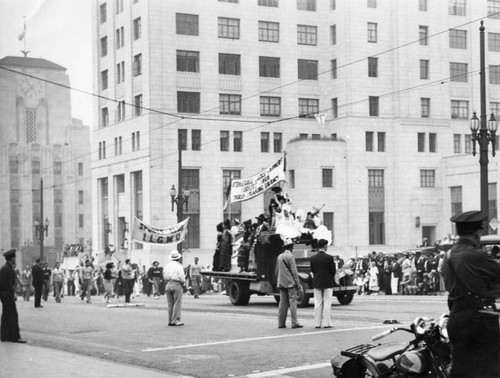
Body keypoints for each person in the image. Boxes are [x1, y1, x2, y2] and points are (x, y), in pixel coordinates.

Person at [442, 210, 500, 378]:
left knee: (461, 369)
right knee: (490, 369)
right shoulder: (476, 255)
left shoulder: (448, 256)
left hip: (457, 317)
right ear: (478, 233)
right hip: (480, 319)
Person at [276, 238, 303, 329]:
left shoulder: (279, 256)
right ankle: (294, 323)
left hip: (281, 282)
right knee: (293, 303)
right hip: (290, 283)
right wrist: (298, 285)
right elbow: (294, 272)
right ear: (291, 247)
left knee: (282, 303)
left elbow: (277, 270)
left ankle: (281, 323)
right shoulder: (290, 257)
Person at [0, 249, 26, 343]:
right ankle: (14, 337)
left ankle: (5, 336)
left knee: (7, 315)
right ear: (11, 258)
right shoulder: (6, 269)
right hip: (7, 297)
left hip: (8, 296)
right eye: (14, 257)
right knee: (12, 315)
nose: (15, 258)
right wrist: (5, 294)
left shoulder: (8, 268)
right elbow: (2, 284)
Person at [309, 239, 336, 328]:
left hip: (317, 282)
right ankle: (327, 323)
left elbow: (313, 270)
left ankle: (317, 323)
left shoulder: (313, 258)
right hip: (328, 282)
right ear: (325, 246)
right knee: (327, 303)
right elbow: (333, 271)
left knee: (317, 303)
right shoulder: (329, 257)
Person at [163, 250, 186, 326]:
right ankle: (175, 320)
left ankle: (170, 320)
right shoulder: (179, 266)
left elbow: (165, 276)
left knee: (170, 304)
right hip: (176, 284)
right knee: (177, 303)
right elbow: (182, 277)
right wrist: (183, 283)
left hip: (168, 283)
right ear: (178, 258)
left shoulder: (167, 266)